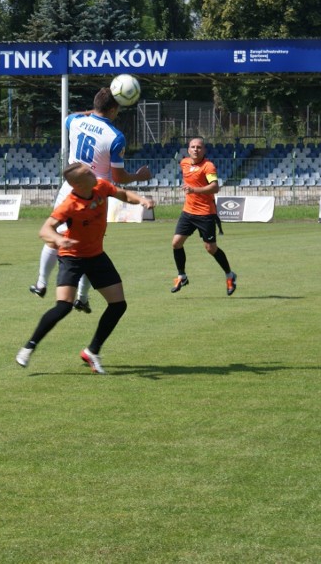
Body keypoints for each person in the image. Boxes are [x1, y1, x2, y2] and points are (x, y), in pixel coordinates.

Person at [16, 162, 154, 374]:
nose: (93, 174)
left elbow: (123, 194)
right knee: (63, 306)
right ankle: (29, 347)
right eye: (88, 173)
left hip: (96, 255)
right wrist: (58, 240)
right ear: (79, 184)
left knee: (118, 305)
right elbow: (45, 230)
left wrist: (142, 200)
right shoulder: (70, 204)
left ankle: (92, 351)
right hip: (72, 257)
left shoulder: (101, 186)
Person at [29, 87, 152, 313]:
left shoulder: (74, 121)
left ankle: (41, 283)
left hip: (69, 188)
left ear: (95, 105)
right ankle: (82, 297)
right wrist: (139, 176)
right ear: (114, 109)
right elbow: (118, 177)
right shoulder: (115, 137)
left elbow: (76, 115)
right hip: (95, 193)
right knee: (90, 246)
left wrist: (94, 109)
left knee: (53, 236)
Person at [170, 137, 237, 296]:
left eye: (199, 147)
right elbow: (190, 179)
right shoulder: (184, 163)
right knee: (176, 243)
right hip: (188, 211)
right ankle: (182, 276)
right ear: (188, 150)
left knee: (210, 248)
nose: (195, 149)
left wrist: (194, 190)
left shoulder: (208, 166)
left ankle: (229, 275)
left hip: (205, 213)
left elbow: (215, 187)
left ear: (204, 150)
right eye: (192, 147)